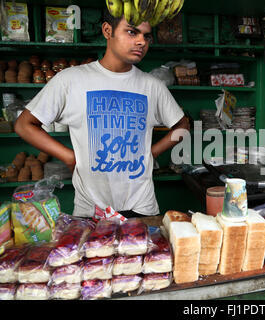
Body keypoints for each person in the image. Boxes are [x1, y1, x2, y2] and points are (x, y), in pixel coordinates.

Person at [14, 11, 190, 218]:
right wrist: (69, 157)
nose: (141, 41)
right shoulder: (70, 80)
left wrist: (152, 153)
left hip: (141, 207)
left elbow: (183, 126)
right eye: (132, 32)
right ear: (107, 31)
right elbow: (24, 125)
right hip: (91, 209)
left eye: (146, 36)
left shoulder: (152, 86)